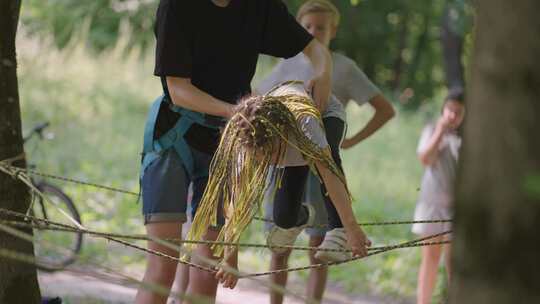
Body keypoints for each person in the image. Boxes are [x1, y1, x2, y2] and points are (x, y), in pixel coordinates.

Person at [135, 0, 334, 303]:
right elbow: (178, 89)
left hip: (226, 143)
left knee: (207, 272)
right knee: (163, 265)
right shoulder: (176, 7)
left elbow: (314, 49)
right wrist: (235, 111)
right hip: (174, 137)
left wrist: (324, 72)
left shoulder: (259, 7)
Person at [255, 1, 395, 302]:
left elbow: (385, 109)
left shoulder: (342, 67)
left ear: (334, 30)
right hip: (290, 152)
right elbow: (258, 98)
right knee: (281, 238)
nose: (314, 32)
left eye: (321, 27)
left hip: (323, 159)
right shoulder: (288, 63)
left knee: (320, 247)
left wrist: (351, 140)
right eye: (307, 27)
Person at [186, 81, 371, 290]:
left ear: (280, 136)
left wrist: (352, 227)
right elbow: (235, 204)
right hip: (291, 143)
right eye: (261, 158)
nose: (269, 163)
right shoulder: (243, 142)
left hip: (324, 114)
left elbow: (329, 174)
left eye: (270, 155)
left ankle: (338, 228)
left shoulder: (305, 124)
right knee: (283, 217)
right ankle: (302, 216)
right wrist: (230, 259)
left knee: (328, 160)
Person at [412, 89, 465, 304]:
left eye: (458, 112)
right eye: (450, 109)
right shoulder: (431, 130)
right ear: (443, 109)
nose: (452, 115)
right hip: (431, 204)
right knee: (430, 258)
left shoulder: (466, 140)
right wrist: (440, 132)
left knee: (453, 262)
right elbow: (425, 158)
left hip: (456, 208)